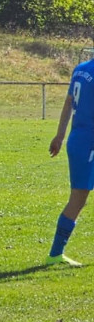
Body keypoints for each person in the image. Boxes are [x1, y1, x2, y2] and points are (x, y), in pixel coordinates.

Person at [46, 56, 94, 267]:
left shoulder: (81, 69)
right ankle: (55, 254)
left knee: (79, 198)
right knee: (78, 199)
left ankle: (56, 254)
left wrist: (59, 135)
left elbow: (68, 102)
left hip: (78, 139)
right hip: (89, 143)